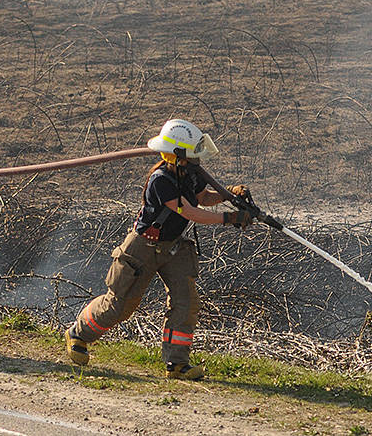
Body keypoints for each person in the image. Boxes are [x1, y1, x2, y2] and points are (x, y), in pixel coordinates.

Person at [65, 118, 253, 379]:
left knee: (185, 303)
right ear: (177, 153)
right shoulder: (161, 180)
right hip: (143, 248)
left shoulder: (188, 173)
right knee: (120, 306)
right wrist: (228, 218)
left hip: (173, 248)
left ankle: (177, 364)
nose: (198, 158)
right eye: (192, 152)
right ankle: (79, 333)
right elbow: (189, 211)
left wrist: (229, 193)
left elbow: (201, 198)